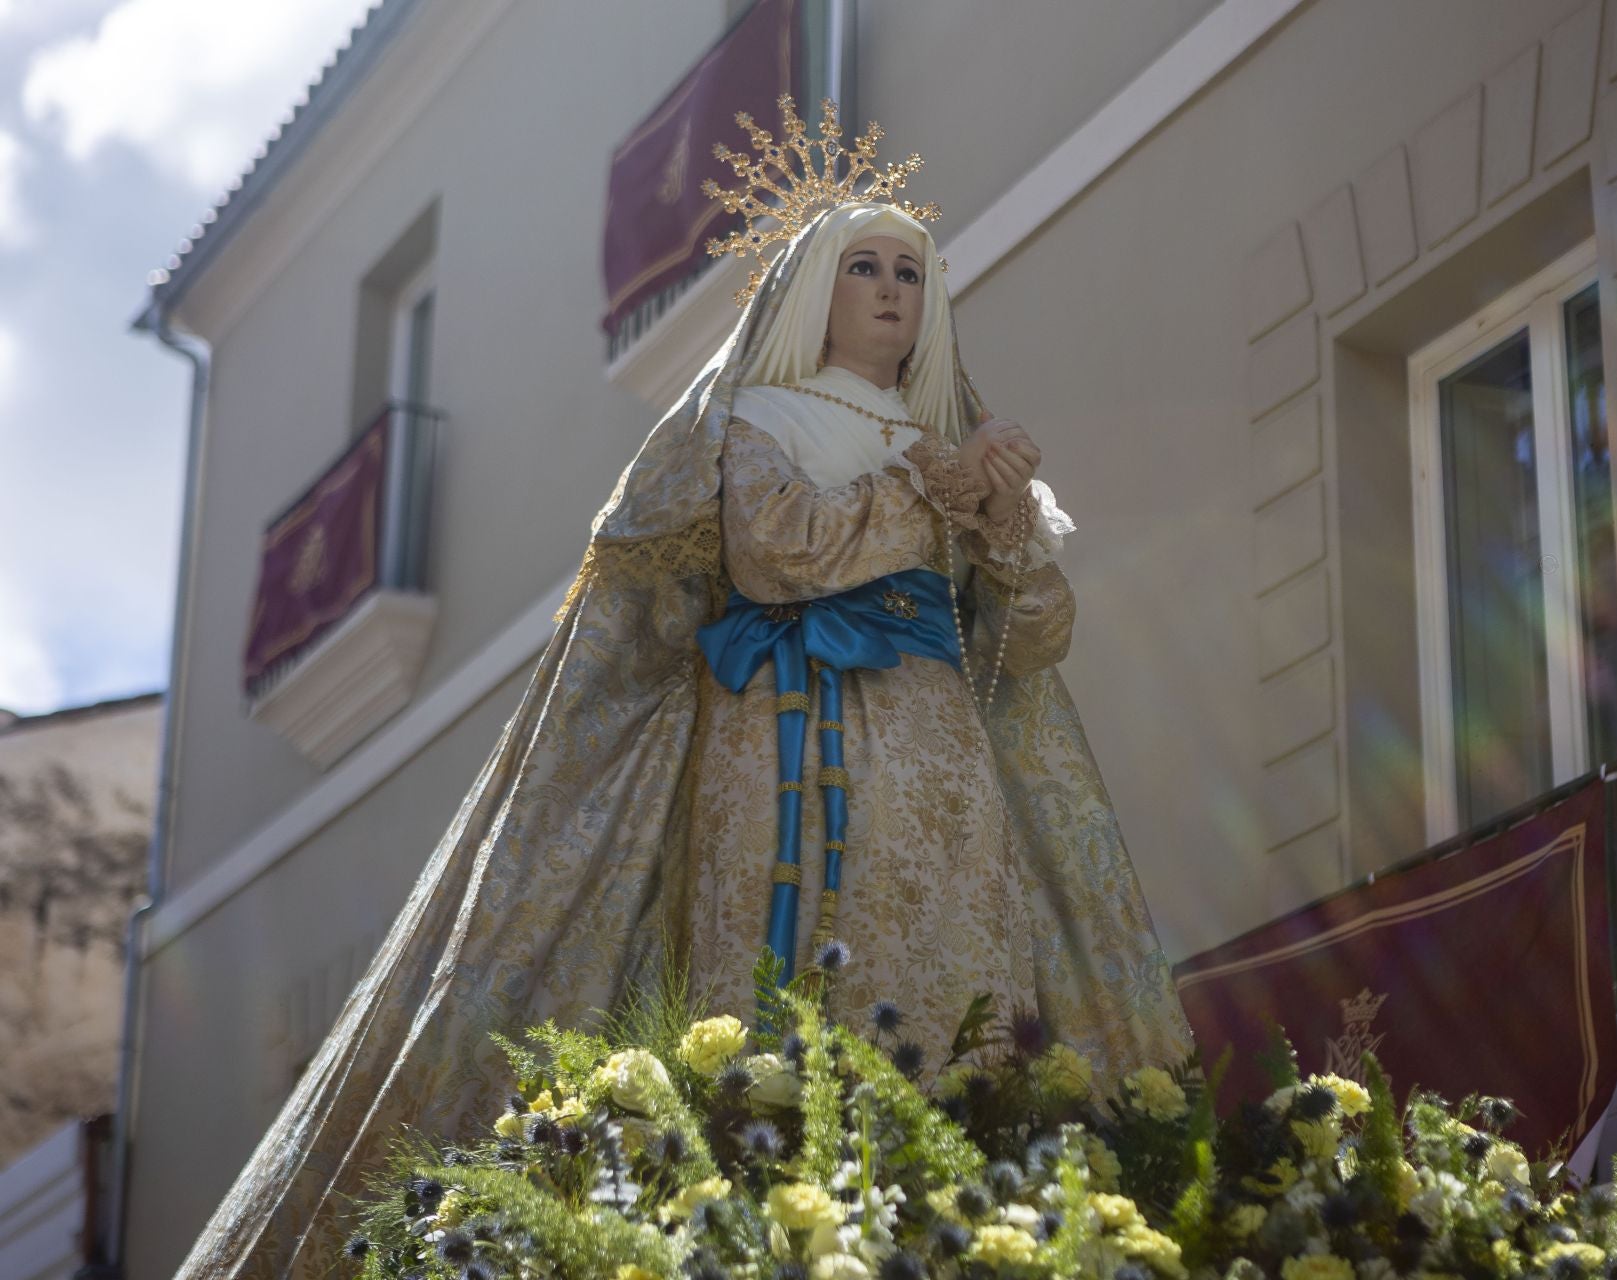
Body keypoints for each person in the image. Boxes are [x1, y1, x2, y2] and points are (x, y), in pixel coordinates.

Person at [172, 104, 1190, 1277]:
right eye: (863, 264)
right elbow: (779, 552)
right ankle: (768, 1194)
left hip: (939, 742)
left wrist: (1006, 521)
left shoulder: (940, 432)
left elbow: (1035, 637)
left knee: (957, 960)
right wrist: (934, 493)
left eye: (911, 269)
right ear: (813, 288)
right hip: (787, 732)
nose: (891, 287)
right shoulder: (755, 415)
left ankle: (959, 1187)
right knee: (796, 975)